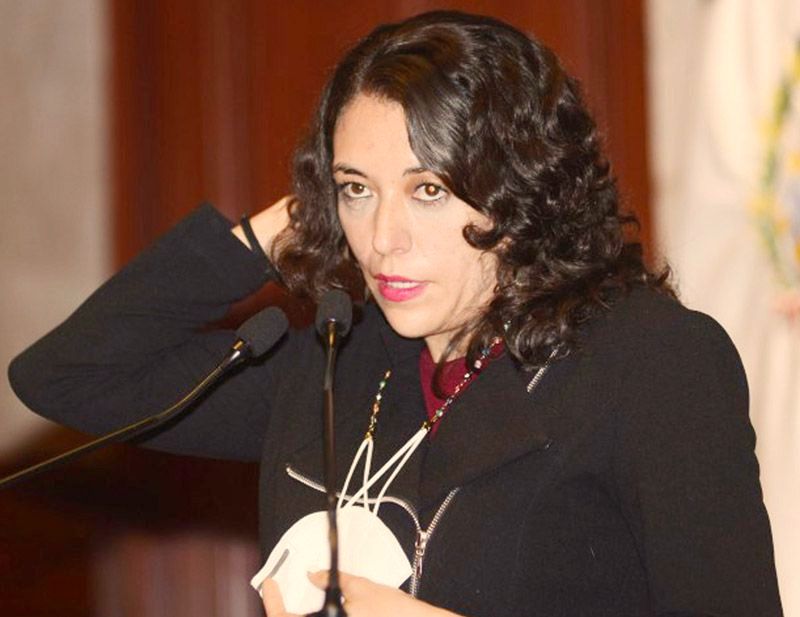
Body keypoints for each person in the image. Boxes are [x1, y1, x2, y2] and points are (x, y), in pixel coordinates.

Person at [8, 10, 783, 617]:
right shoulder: (337, 361)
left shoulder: (649, 362)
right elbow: (70, 377)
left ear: (522, 190)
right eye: (356, 189)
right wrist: (279, 228)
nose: (382, 238)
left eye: (428, 190)